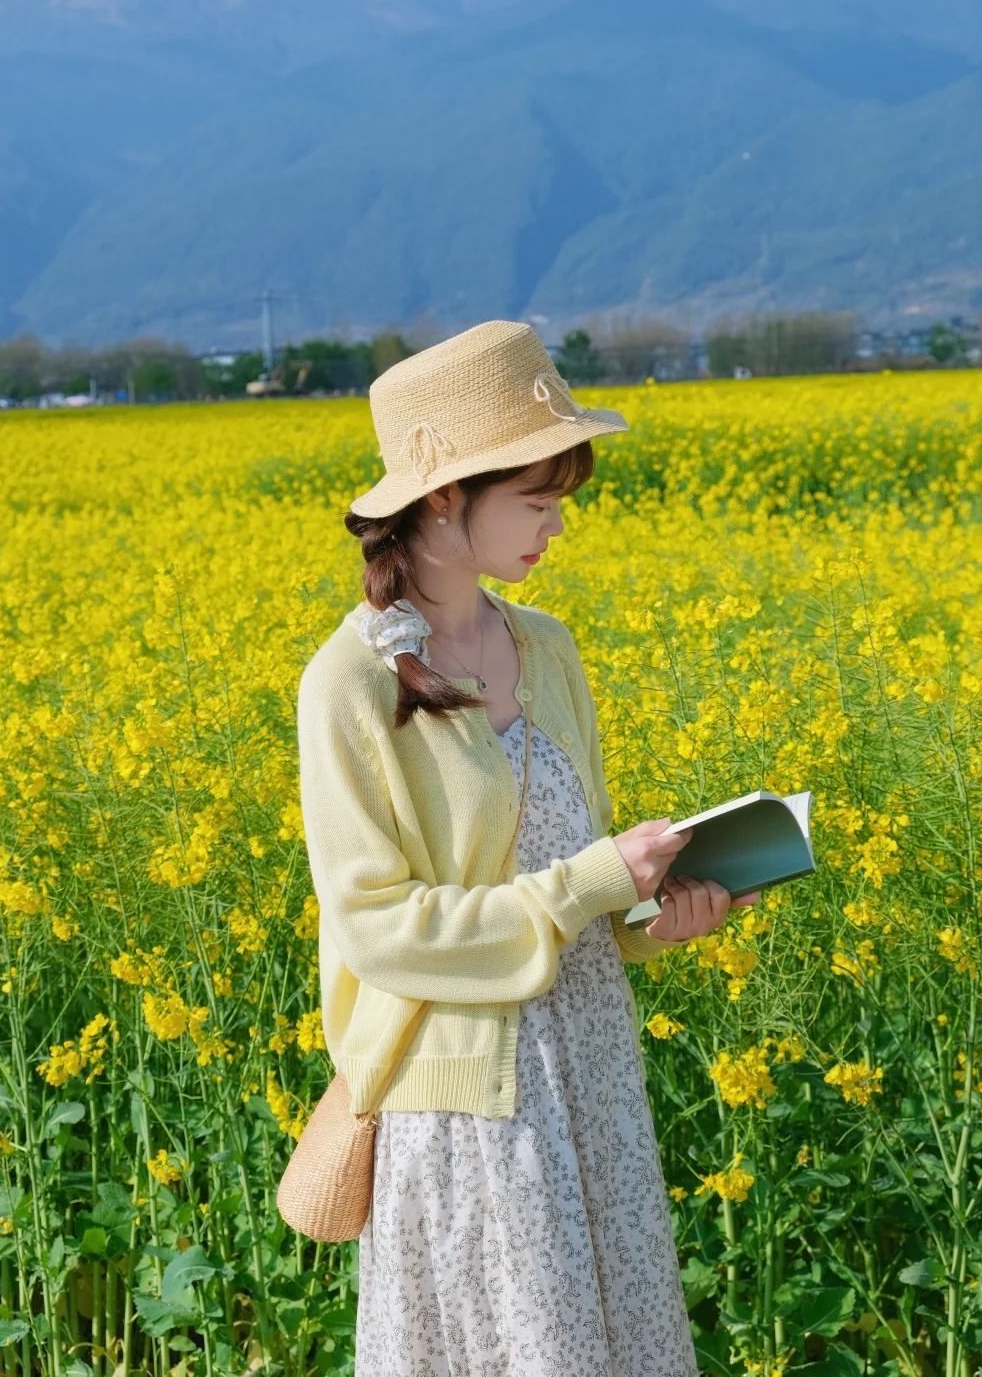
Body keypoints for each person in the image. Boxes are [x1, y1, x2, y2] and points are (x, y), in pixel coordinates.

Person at [296, 319, 759, 1376]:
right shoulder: (349, 684)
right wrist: (591, 881)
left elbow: (583, 880)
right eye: (537, 499)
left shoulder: (546, 645)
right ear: (444, 496)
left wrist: (657, 914)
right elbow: (377, 928)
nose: (558, 524)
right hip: (471, 1107)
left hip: (593, 1075)